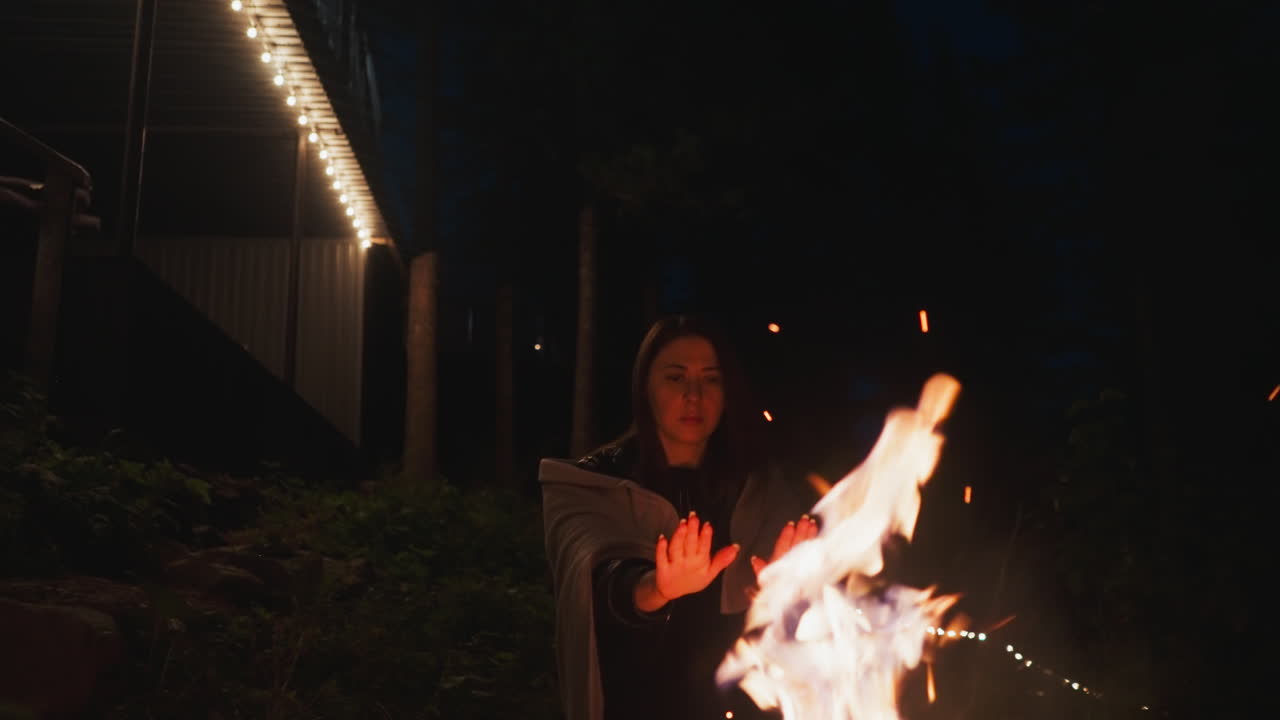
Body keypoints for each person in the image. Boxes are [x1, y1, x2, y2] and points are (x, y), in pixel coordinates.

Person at [540, 314, 820, 720]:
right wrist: (657, 587)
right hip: (634, 703)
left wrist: (787, 585)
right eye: (676, 378)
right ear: (645, 386)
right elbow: (592, 585)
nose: (694, 395)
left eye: (711, 379)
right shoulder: (596, 483)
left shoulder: (760, 488)